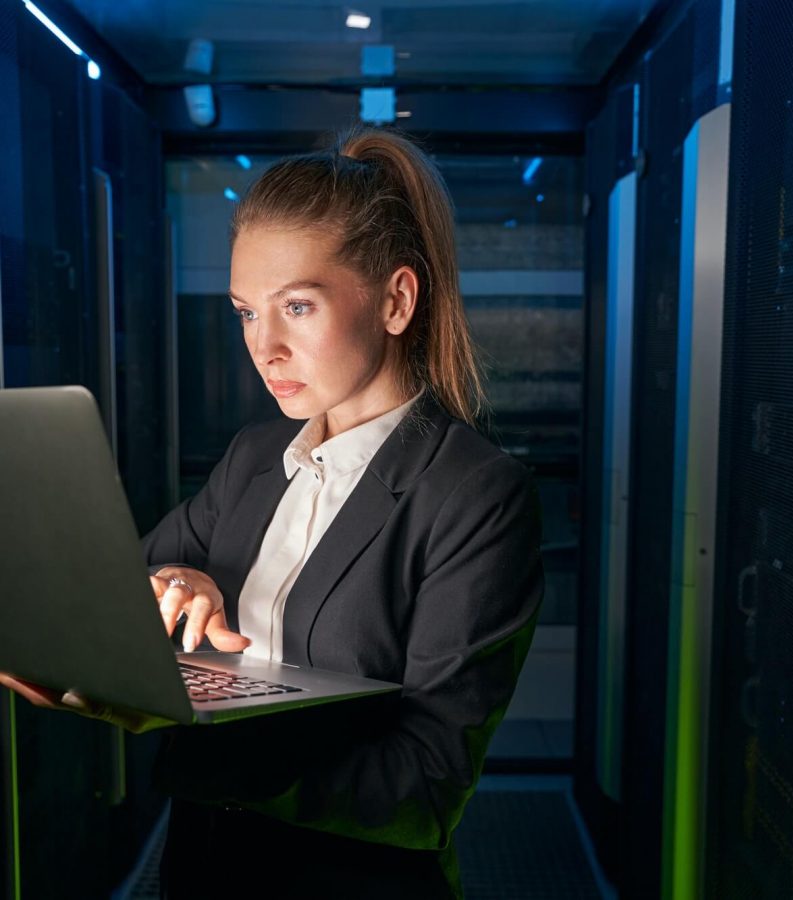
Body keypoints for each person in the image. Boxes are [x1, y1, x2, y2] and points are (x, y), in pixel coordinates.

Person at [1, 125, 545, 899]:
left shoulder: (474, 495)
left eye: (297, 306)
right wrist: (172, 579)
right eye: (246, 312)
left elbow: (426, 789)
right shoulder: (255, 457)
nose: (265, 347)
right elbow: (124, 594)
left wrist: (204, 751)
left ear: (396, 300)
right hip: (200, 872)